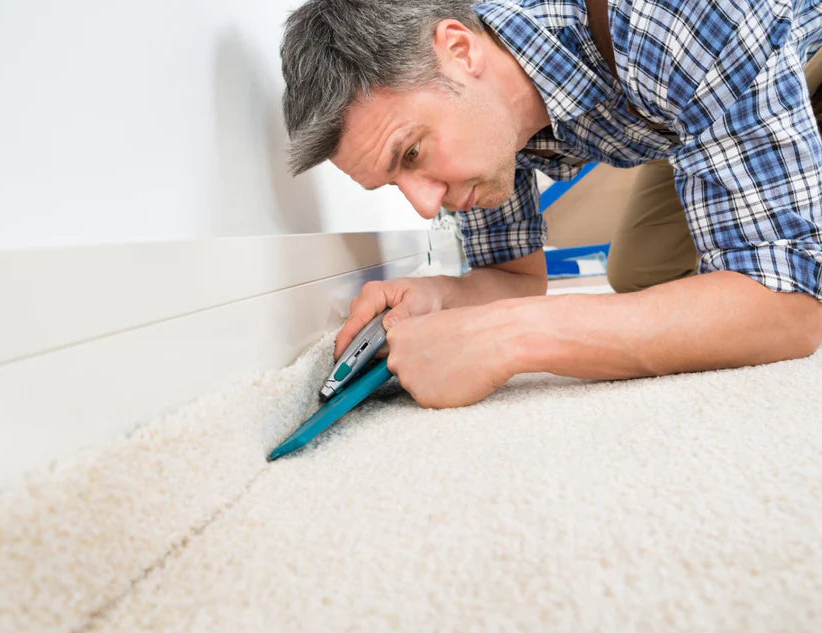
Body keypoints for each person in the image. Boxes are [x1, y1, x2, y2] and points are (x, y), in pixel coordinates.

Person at [281, 0, 822, 408]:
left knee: (759, 288)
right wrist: (440, 296)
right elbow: (516, 278)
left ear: (460, 50)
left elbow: (790, 309)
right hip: (696, 116)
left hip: (800, 65)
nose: (426, 205)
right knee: (642, 276)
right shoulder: (485, 110)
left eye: (413, 153)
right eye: (394, 183)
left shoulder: (670, 17)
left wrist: (514, 335)